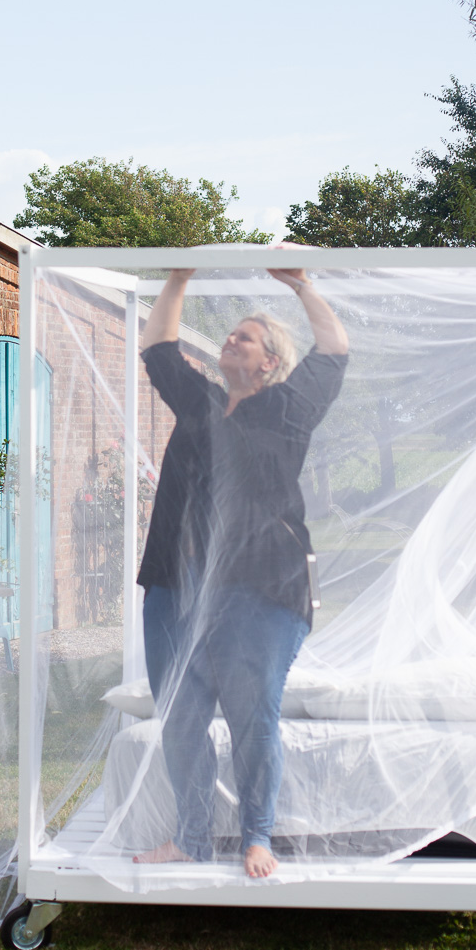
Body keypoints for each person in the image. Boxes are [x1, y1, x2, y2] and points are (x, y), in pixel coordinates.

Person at [133, 265, 348, 878]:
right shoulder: (199, 402)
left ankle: (258, 835)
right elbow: (159, 350)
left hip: (262, 585)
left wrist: (302, 286)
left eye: (246, 337)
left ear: (269, 363)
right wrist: (177, 277)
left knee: (254, 710)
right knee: (179, 713)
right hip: (176, 578)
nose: (232, 339)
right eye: (232, 333)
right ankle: (191, 837)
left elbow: (333, 351)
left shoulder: (287, 408)